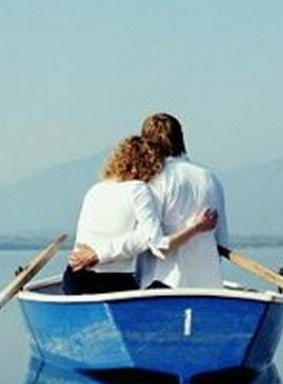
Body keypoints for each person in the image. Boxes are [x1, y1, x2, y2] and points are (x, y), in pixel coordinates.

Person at [64, 135, 217, 295]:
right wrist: (196, 227)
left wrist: (97, 253)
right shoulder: (137, 189)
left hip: (75, 275)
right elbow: (156, 243)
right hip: (110, 281)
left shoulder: (95, 190)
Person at [137, 112, 229, 289]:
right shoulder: (210, 178)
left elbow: (150, 241)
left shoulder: (154, 180)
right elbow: (221, 241)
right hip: (207, 283)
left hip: (162, 281)